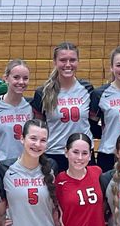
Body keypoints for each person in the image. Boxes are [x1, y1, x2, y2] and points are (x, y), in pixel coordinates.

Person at [31, 42, 94, 172]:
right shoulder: (43, 92)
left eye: (72, 60)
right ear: (55, 62)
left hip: (82, 154)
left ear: (78, 61)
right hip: (54, 154)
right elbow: (38, 128)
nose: (68, 64)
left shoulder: (88, 89)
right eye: (63, 60)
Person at [0, 59, 34, 169]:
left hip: (26, 166)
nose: (21, 82)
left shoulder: (32, 105)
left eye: (25, 78)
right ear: (6, 78)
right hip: (0, 166)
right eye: (16, 77)